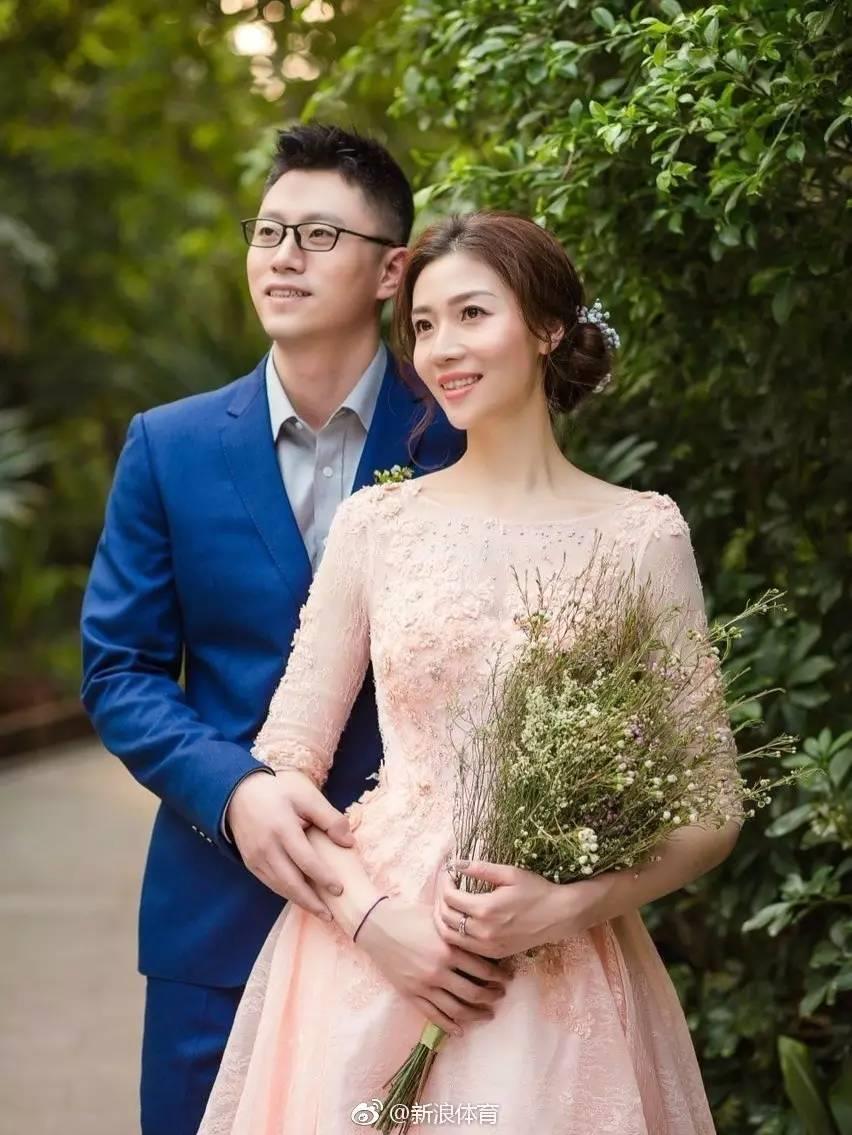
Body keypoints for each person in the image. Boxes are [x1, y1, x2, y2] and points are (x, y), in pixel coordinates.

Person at [196, 211, 741, 1134]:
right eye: (423, 324)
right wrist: (374, 919)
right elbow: (287, 763)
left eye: (472, 314)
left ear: (547, 328)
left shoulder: (642, 534)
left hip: (555, 976)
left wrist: (566, 905)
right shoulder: (378, 525)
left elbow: (713, 804)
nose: (441, 347)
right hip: (363, 955)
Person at [79, 125, 464, 1135]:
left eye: (319, 235)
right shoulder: (167, 447)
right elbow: (118, 671)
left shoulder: (459, 437)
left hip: (418, 920)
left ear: (391, 271)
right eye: (268, 231)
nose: (283, 255)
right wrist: (235, 789)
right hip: (220, 914)